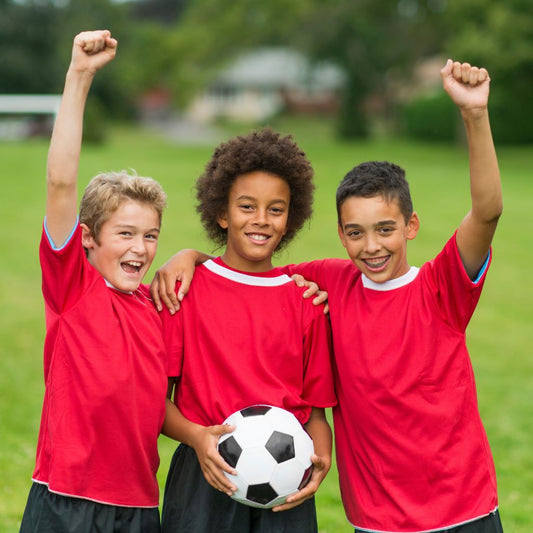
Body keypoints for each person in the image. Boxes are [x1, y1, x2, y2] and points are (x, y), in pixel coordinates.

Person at [152, 60, 504, 532]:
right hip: (374, 519)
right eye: (356, 233)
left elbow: (487, 211)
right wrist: (190, 256)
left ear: (411, 227)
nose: (372, 246)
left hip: (461, 509)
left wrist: (475, 116)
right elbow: (250, 272)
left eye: (385, 230)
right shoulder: (330, 283)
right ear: (340, 234)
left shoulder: (439, 290)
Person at [20, 30, 168, 533]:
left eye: (151, 236)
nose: (140, 248)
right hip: (66, 501)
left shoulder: (157, 306)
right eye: (125, 233)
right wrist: (79, 76)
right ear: (86, 239)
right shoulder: (73, 288)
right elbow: (61, 182)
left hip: (141, 507)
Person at [157, 128, 337, 533]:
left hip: (286, 481)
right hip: (203, 476)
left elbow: (317, 416)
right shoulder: (185, 291)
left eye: (276, 209)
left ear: (291, 217)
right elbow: (157, 403)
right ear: (222, 213)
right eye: (246, 207)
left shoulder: (306, 302)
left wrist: (320, 461)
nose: (261, 220)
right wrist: (197, 437)